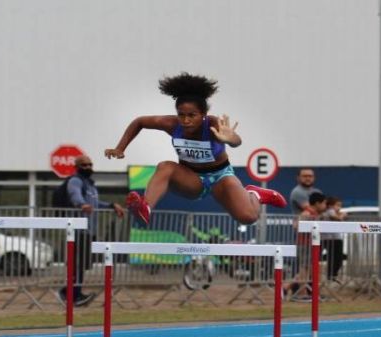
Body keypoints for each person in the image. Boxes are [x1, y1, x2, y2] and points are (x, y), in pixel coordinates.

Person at [105, 73, 288, 225]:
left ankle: (255, 193)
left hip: (220, 177)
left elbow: (236, 141)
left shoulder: (214, 124)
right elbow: (140, 121)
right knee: (165, 166)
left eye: (192, 115)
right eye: (181, 115)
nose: (185, 121)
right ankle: (145, 207)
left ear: (203, 115)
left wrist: (230, 138)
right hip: (191, 178)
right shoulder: (171, 124)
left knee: (248, 217)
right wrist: (120, 148)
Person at [60, 154, 127, 307]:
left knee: (82, 265)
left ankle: (73, 292)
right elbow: (74, 194)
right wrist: (81, 204)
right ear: (77, 167)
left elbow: (96, 203)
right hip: (77, 231)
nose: (88, 167)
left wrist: (111, 205)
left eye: (90, 164)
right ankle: (71, 295)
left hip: (89, 231)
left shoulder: (90, 185)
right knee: (77, 264)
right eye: (84, 165)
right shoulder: (75, 180)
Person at [321, 195, 346, 281]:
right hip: (332, 239)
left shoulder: (329, 212)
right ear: (331, 206)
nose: (339, 207)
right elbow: (336, 218)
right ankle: (332, 275)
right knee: (336, 258)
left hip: (333, 238)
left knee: (335, 258)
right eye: (338, 205)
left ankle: (332, 274)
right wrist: (342, 216)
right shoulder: (330, 211)